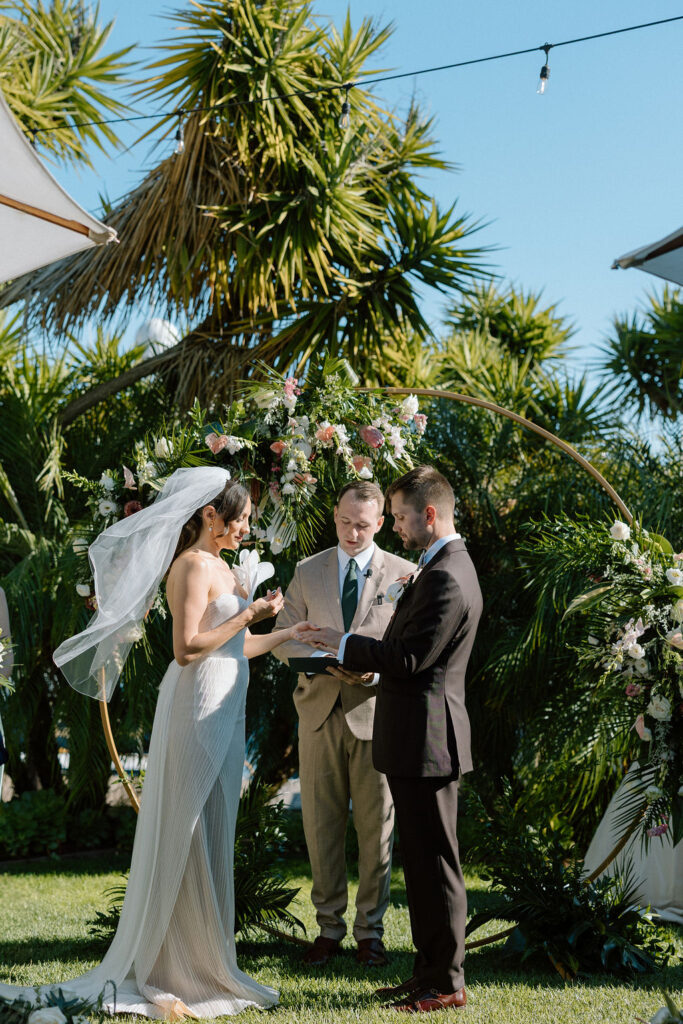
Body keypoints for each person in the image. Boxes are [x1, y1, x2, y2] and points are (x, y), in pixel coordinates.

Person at [0, 466, 308, 1019]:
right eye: (239, 519)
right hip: (194, 706)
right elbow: (188, 648)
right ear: (209, 514)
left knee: (214, 826)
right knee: (185, 827)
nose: (245, 529)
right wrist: (250, 613)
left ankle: (209, 959)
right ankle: (170, 966)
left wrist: (282, 631)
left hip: (226, 704)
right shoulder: (191, 566)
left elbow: (236, 648)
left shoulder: (222, 566)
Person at [296, 466, 482, 1013]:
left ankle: (447, 984)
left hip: (428, 741)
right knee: (422, 865)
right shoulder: (440, 567)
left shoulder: (447, 574)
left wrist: (344, 642)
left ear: (429, 514)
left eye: (399, 517)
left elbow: (406, 658)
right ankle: (427, 974)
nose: (394, 528)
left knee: (437, 866)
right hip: (413, 740)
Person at [272, 481, 415, 968]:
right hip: (317, 716)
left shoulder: (405, 574)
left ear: (380, 523)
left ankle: (370, 932)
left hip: (378, 718)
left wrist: (373, 668)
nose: (352, 533)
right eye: (345, 522)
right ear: (335, 516)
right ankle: (329, 929)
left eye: (363, 525)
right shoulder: (307, 571)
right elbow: (282, 637)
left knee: (377, 830)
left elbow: (412, 647)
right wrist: (323, 659)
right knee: (320, 827)